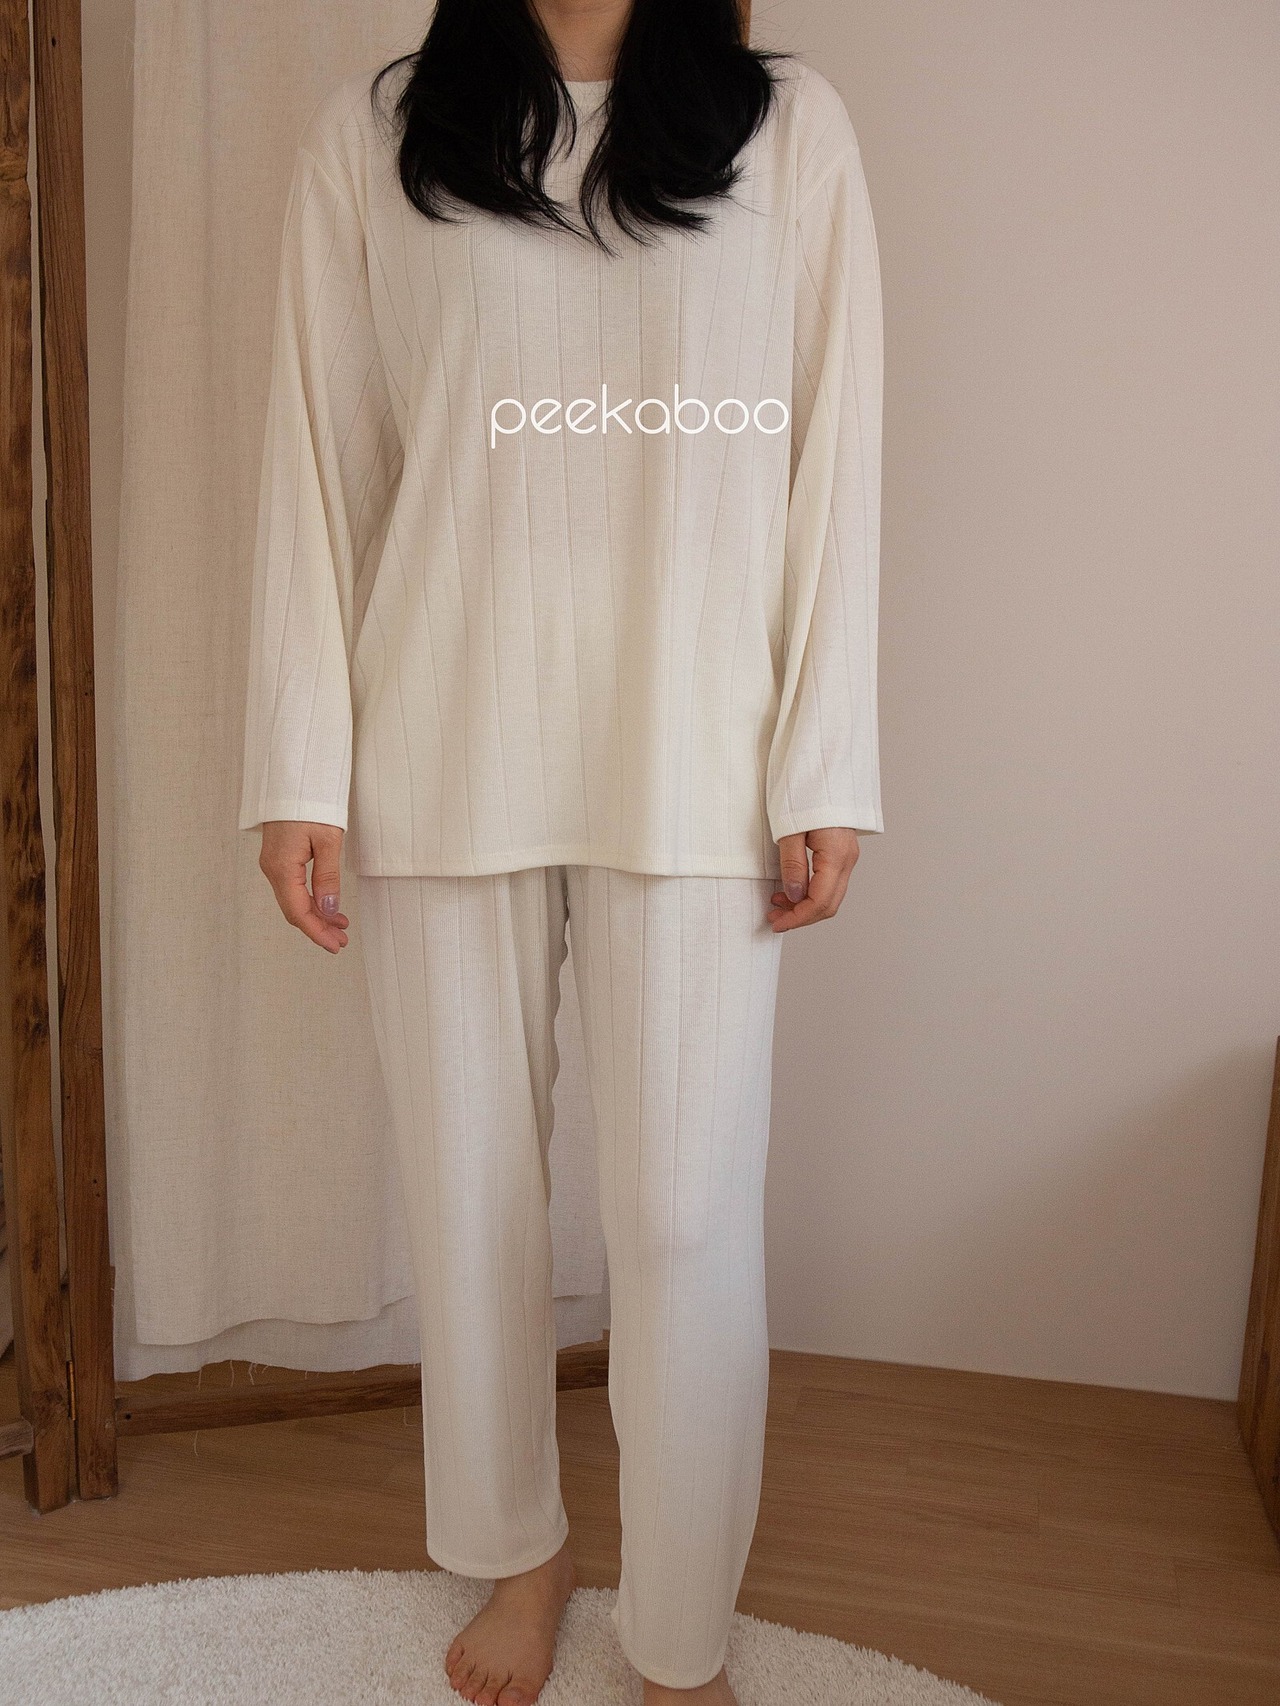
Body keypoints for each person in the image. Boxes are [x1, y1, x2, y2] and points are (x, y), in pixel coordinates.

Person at [238, 0, 884, 1700]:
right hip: (439, 732)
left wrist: (825, 757)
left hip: (697, 748)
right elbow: (320, 453)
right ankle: (521, 1550)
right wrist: (300, 761)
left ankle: (679, 1631)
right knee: (470, 1202)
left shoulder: (788, 134)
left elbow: (836, 451)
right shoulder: (376, 140)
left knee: (682, 1219)